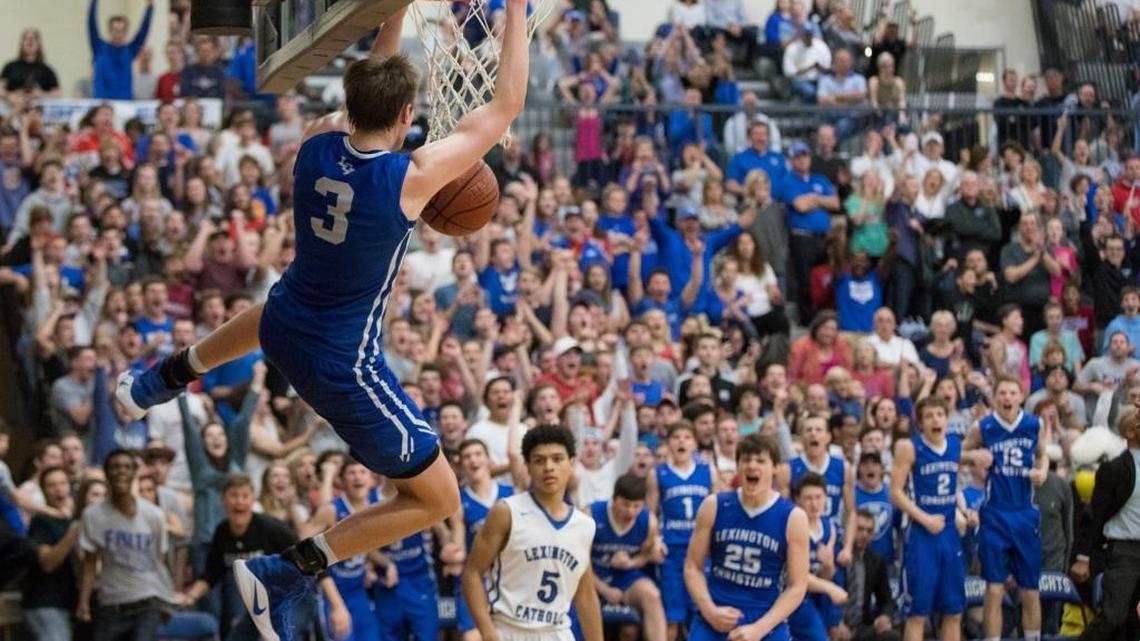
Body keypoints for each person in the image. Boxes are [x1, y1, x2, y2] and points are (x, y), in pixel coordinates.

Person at [115, 3, 531, 637]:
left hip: (284, 323)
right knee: (438, 499)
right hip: (340, 365)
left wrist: (389, 12)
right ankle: (291, 568)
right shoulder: (410, 177)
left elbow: (371, 78)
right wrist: (518, 11)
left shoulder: (315, 139)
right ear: (407, 116)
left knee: (284, 299)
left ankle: (163, 377)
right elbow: (505, 106)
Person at [461, 425, 604, 641]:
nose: (549, 467)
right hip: (508, 629)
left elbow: (585, 595)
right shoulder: (506, 511)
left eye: (557, 459)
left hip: (557, 632)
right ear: (527, 466)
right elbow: (472, 573)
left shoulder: (585, 525)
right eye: (539, 460)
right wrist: (488, 632)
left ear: (571, 463)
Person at [683, 433, 809, 641]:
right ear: (738, 466)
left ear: (775, 467)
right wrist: (710, 611)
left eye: (760, 460)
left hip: (764, 616)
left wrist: (759, 629)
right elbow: (692, 567)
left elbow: (797, 587)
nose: (752, 466)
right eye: (746, 460)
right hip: (717, 612)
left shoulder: (793, 517)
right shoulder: (714, 505)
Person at [964, 376, 1049, 641]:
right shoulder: (983, 427)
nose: (1007, 398)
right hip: (995, 514)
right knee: (994, 589)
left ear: (1021, 396)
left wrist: (1043, 471)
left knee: (1030, 588)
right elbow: (954, 453)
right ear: (995, 397)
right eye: (1002, 393)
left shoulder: (1035, 424)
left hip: (1024, 512)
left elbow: (1043, 454)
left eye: (1012, 393)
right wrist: (974, 456)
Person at [177, 473, 300, 641]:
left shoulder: (272, 529)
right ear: (223, 500)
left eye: (245, 496)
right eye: (234, 495)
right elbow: (212, 573)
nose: (239, 501)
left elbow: (304, 556)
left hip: (292, 599)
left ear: (252, 500)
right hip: (258, 604)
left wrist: (336, 604)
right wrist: (189, 596)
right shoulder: (222, 532)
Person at [77, 449, 175, 641]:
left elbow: (159, 562)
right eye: (115, 467)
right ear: (106, 473)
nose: (121, 471)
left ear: (134, 473)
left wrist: (166, 599)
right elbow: (89, 564)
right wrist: (83, 602)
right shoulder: (93, 515)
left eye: (127, 467)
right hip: (111, 603)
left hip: (147, 601)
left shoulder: (153, 515)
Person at [890, 398, 967, 641]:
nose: (936, 420)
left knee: (954, 611)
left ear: (947, 419)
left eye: (940, 414)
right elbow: (895, 493)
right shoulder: (909, 448)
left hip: (949, 534)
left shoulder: (955, 445)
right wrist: (924, 518)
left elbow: (953, 487)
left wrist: (964, 511)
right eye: (929, 416)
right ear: (920, 424)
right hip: (921, 536)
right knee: (918, 613)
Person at [1070, 403, 1140, 641]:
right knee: (1113, 615)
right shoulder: (1114, 469)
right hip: (1123, 552)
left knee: (1132, 620)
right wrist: (1083, 558)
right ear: (1130, 431)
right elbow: (1094, 515)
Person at [647, 420, 719, 640]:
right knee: (672, 620)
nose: (681, 441)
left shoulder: (708, 471)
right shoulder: (658, 474)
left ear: (695, 444)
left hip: (701, 552)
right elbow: (651, 512)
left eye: (687, 437)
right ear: (668, 443)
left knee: (704, 614)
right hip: (672, 553)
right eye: (676, 437)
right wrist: (655, 540)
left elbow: (718, 512)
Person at [298, 460, 379, 641]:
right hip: (332, 593)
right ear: (341, 481)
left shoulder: (376, 506)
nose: (358, 477)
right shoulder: (332, 510)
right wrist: (336, 604)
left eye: (362, 471)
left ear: (372, 479)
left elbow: (369, 545)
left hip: (359, 594)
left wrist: (381, 564)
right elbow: (303, 544)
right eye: (352, 472)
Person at [590, 473, 667, 641]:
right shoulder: (591, 514)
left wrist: (631, 563)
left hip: (625, 577)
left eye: (636, 506)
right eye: (625, 504)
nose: (631, 511)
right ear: (614, 498)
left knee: (652, 595)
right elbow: (581, 563)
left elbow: (646, 555)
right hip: (594, 575)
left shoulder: (649, 522)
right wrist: (605, 590)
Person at [454, 439, 515, 641]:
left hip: (510, 577)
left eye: (478, 454)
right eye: (467, 456)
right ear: (461, 465)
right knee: (472, 637)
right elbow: (458, 543)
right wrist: (453, 552)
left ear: (488, 460)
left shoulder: (511, 494)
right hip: (477, 578)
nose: (473, 459)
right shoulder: (459, 501)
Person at [87, 0, 154, 100]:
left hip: (125, 105)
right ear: (109, 31)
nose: (118, 34)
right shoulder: (99, 47)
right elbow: (91, 24)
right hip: (102, 103)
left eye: (122, 31)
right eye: (115, 30)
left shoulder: (130, 50)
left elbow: (143, 32)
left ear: (126, 32)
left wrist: (150, 8)